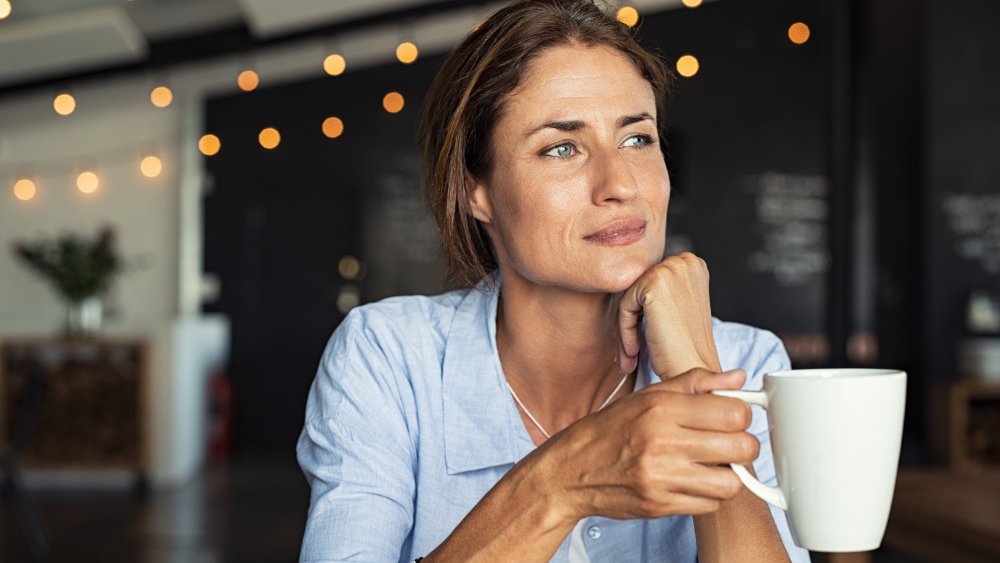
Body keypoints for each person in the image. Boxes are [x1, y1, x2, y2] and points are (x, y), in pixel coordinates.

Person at [298, 1, 810, 561]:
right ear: (478, 192)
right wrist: (561, 482)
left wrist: (696, 371)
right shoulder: (389, 357)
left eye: (637, 139)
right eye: (561, 148)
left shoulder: (748, 362)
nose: (620, 184)